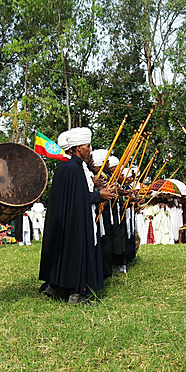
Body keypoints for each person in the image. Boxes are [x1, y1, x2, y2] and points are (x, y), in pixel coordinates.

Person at [38, 127, 116, 304]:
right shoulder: (73, 168)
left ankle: (59, 287)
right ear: (78, 148)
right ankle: (77, 293)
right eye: (87, 146)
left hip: (72, 220)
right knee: (78, 253)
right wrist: (99, 195)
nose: (90, 149)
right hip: (76, 221)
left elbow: (78, 194)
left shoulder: (72, 167)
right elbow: (78, 199)